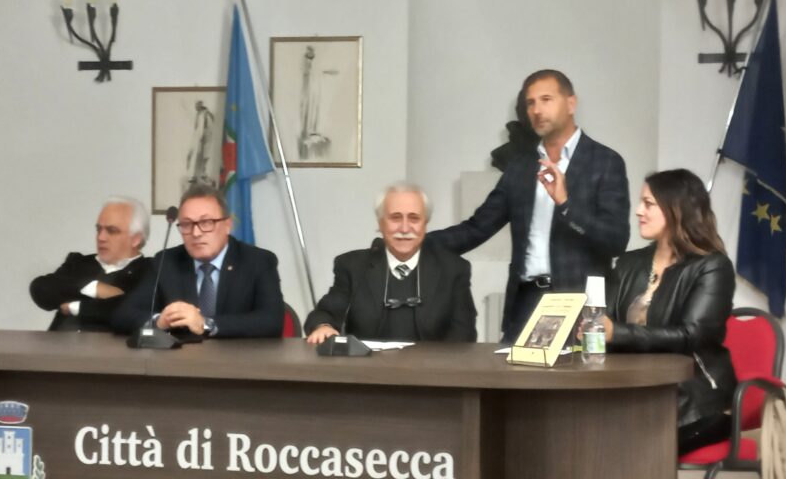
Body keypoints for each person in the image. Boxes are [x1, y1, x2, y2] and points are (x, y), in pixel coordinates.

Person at [428, 69, 630, 342]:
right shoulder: (520, 167)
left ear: (571, 103)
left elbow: (616, 240)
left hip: (579, 307)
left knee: (575, 372)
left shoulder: (605, 162)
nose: (536, 110)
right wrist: (416, 244)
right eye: (530, 103)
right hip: (525, 302)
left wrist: (566, 204)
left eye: (546, 99)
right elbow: (477, 228)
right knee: (507, 371)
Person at [602, 169, 737, 479]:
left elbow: (695, 335)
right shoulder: (628, 263)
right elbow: (604, 326)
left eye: (648, 203)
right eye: (640, 202)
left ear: (676, 208)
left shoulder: (712, 265)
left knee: (626, 449)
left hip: (697, 402)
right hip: (635, 395)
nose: (638, 211)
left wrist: (617, 332)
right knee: (586, 436)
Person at [305, 184, 476, 343]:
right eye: (395, 218)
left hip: (432, 365)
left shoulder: (453, 269)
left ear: (425, 224)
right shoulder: (352, 266)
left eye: (414, 218)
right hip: (367, 364)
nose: (404, 228)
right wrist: (323, 326)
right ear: (380, 223)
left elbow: (464, 335)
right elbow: (323, 314)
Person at [112, 184, 283, 337]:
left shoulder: (258, 261)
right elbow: (123, 315)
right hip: (181, 359)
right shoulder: (166, 262)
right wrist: (160, 321)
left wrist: (206, 324)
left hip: (239, 359)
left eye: (206, 222)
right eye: (187, 224)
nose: (196, 233)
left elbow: (271, 321)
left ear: (227, 225)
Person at [29, 196, 151, 332]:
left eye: (112, 231)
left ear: (135, 239)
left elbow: (129, 311)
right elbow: (42, 288)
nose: (101, 237)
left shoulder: (150, 270)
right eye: (99, 229)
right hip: (56, 344)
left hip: (107, 346)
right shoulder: (78, 262)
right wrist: (94, 287)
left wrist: (74, 307)